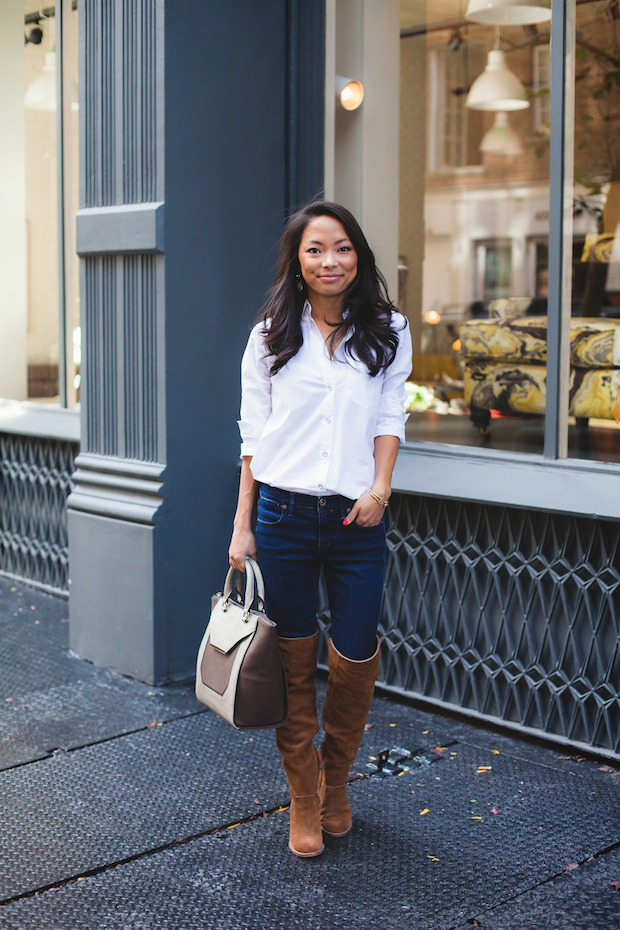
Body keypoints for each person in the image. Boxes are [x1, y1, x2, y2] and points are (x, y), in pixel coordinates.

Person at [229, 201, 412, 858]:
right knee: (294, 657)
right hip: (281, 515)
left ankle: (338, 780)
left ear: (357, 256)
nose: (329, 261)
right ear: (298, 262)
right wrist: (242, 525)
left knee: (356, 652)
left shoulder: (388, 329)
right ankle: (305, 791)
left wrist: (380, 488)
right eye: (315, 250)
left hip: (356, 518)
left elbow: (391, 414)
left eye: (341, 248)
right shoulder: (270, 337)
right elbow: (253, 436)